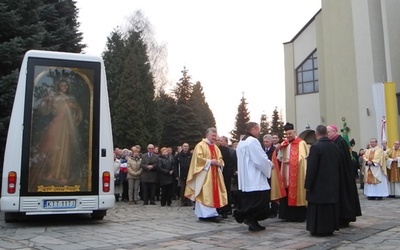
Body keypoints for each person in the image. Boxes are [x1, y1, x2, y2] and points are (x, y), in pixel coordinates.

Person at [29, 79, 83, 191]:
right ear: (58, 86)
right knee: (54, 148)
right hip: (57, 123)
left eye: (66, 85)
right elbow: (45, 111)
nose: (64, 87)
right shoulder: (54, 97)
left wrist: (74, 107)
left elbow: (78, 112)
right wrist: (47, 100)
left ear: (68, 86)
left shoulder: (71, 98)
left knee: (65, 150)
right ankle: (52, 172)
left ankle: (62, 174)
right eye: (61, 85)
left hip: (67, 127)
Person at [234, 122, 273, 231]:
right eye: (258, 129)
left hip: (246, 178)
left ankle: (253, 221)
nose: (259, 132)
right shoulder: (253, 141)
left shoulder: (242, 142)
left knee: (250, 202)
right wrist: (269, 165)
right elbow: (259, 159)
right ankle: (243, 214)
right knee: (260, 203)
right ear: (254, 129)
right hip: (255, 178)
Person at [184, 128, 227, 222]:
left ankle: (211, 213)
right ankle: (207, 214)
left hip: (215, 173)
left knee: (213, 192)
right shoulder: (200, 145)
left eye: (216, 136)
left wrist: (219, 162)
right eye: (213, 136)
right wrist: (210, 161)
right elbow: (198, 159)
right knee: (204, 193)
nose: (215, 138)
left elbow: (220, 158)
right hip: (204, 174)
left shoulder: (215, 147)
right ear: (207, 135)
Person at [305, 125, 340, 236]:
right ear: (326, 133)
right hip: (332, 183)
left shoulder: (315, 147)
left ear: (316, 135)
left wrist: (308, 184)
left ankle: (318, 229)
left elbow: (312, 168)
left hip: (318, 185)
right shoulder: (334, 146)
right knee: (329, 208)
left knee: (318, 208)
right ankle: (330, 228)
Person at [327, 125, 362, 227]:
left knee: (344, 197)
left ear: (335, 132)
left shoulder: (340, 142)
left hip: (343, 175)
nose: (327, 134)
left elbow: (339, 159)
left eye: (328, 132)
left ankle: (344, 218)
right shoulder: (336, 141)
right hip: (340, 174)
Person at [277, 122, 309, 222]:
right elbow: (279, 156)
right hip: (285, 171)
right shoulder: (284, 143)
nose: (288, 136)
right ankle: (286, 215)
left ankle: (298, 216)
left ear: (294, 132)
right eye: (286, 134)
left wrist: (291, 161)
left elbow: (303, 158)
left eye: (290, 133)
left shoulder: (301, 143)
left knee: (296, 190)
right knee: (286, 191)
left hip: (296, 172)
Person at [217, 136, 237, 218]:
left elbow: (229, 163)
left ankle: (226, 209)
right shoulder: (215, 148)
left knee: (226, 192)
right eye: (218, 140)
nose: (219, 142)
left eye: (220, 140)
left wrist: (230, 173)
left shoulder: (226, 150)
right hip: (217, 174)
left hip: (226, 174)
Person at [262, 134, 280, 218]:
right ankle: (265, 210)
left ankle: (274, 210)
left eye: (267, 142)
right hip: (264, 174)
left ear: (271, 142)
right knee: (265, 193)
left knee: (273, 191)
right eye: (264, 142)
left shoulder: (274, 150)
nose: (265, 143)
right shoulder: (261, 150)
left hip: (273, 173)